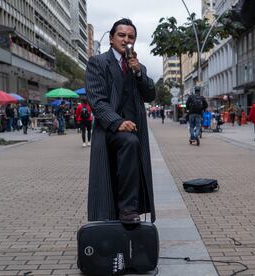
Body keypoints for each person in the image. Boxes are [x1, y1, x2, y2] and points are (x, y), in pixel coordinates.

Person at [85, 18, 156, 224]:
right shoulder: (97, 62)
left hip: (134, 129)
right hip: (109, 129)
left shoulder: (138, 65)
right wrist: (117, 122)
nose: (126, 40)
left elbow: (150, 95)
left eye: (131, 37)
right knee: (129, 143)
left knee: (132, 146)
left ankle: (128, 211)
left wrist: (139, 73)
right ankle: (128, 210)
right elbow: (97, 100)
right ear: (111, 38)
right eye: (121, 35)